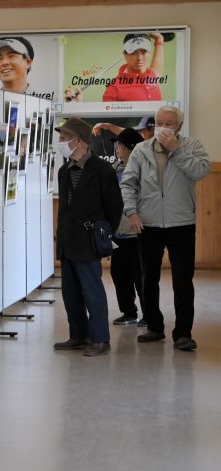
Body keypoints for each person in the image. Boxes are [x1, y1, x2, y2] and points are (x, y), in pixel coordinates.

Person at [120, 106, 210, 351]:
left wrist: (176, 150)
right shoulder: (140, 150)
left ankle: (183, 333)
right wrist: (132, 211)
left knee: (183, 280)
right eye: (159, 122)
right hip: (147, 223)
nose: (163, 127)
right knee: (148, 277)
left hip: (181, 222)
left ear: (179, 126)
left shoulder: (192, 146)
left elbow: (201, 171)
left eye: (169, 123)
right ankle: (154, 326)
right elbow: (128, 184)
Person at [53, 118, 123, 356]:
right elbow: (65, 206)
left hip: (89, 240)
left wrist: (103, 233)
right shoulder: (64, 171)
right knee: (70, 292)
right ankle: (78, 335)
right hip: (67, 239)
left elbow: (114, 205)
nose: (61, 142)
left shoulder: (102, 170)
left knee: (93, 292)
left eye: (64, 138)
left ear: (78, 140)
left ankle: (101, 338)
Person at [100, 127, 146, 326]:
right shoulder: (117, 167)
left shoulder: (143, 169)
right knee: (119, 274)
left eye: (119, 144)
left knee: (140, 276)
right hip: (118, 232)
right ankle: (129, 312)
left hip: (137, 232)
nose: (116, 148)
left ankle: (149, 314)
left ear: (130, 147)